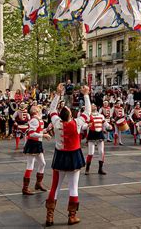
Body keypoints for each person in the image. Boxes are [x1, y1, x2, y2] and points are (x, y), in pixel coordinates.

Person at [45, 84, 90, 226]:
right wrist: (86, 94)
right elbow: (88, 112)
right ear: (71, 115)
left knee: (55, 187)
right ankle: (71, 216)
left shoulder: (56, 122)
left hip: (60, 157)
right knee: (73, 187)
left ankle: (50, 216)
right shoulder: (76, 123)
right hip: (73, 157)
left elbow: (51, 110)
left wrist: (58, 94)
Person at [22, 105, 51, 195]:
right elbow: (31, 134)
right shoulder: (35, 120)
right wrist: (44, 135)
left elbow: (38, 131)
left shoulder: (38, 120)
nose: (40, 109)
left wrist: (47, 129)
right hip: (33, 144)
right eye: (38, 109)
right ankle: (25, 188)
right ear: (35, 111)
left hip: (37, 144)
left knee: (42, 163)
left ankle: (38, 184)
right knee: (30, 165)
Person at [85, 104, 112, 175]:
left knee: (101, 152)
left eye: (95, 105)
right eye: (92, 105)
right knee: (91, 153)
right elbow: (84, 125)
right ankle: (87, 168)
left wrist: (109, 126)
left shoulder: (101, 116)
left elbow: (105, 123)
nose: (94, 106)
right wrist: (87, 125)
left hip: (100, 134)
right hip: (92, 135)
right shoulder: (88, 116)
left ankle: (100, 169)